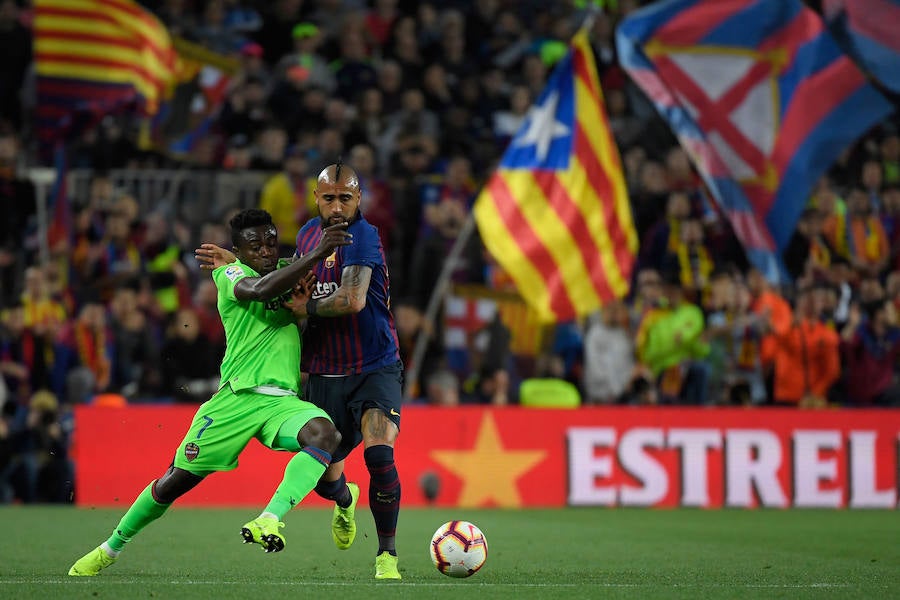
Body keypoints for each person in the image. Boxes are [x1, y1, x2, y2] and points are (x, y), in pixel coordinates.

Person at [67, 209, 352, 576]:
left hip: (282, 402)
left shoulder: (289, 270)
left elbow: (301, 288)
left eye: (269, 242)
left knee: (324, 434)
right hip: (235, 399)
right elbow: (260, 290)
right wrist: (314, 255)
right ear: (238, 251)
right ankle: (111, 547)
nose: (265, 251)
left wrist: (307, 302)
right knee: (174, 483)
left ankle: (272, 517)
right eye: (254, 246)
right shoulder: (230, 273)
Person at [199, 163, 404, 580]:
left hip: (374, 366)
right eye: (329, 198)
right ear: (316, 198)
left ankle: (387, 556)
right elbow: (281, 275)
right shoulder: (310, 236)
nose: (337, 207)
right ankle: (345, 501)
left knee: (380, 454)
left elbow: (352, 299)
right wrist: (233, 261)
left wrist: (305, 308)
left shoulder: (363, 237)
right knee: (327, 478)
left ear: (358, 199)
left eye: (345, 198)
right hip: (325, 372)